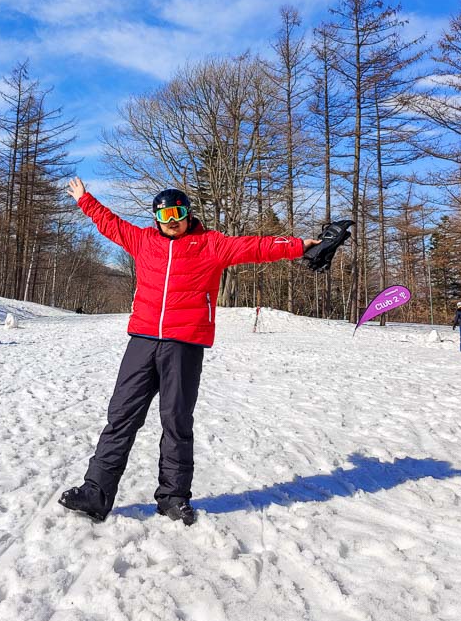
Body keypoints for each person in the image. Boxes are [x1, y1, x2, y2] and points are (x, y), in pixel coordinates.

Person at [59, 178, 320, 526]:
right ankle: (96, 492)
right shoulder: (143, 241)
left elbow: (256, 247)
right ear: (156, 218)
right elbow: (110, 223)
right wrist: (85, 200)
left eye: (178, 213)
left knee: (176, 421)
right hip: (143, 340)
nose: (172, 220)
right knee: (121, 416)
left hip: (185, 344)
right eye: (165, 214)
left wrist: (300, 245)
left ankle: (173, 497)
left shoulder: (210, 245)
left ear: (188, 215)